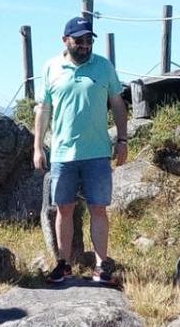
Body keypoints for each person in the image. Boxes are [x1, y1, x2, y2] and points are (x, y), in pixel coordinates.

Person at [33, 16, 129, 285]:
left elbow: (118, 103)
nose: (85, 46)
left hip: (98, 152)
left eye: (88, 41)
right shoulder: (51, 67)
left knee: (99, 209)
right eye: (79, 41)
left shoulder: (104, 66)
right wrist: (38, 147)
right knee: (64, 210)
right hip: (63, 153)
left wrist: (122, 139)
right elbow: (43, 109)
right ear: (66, 40)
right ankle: (63, 264)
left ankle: (101, 266)